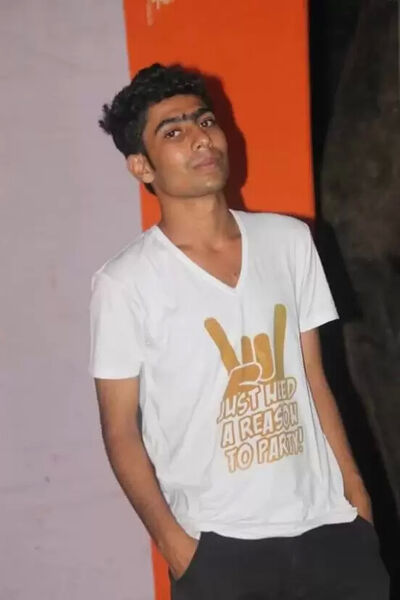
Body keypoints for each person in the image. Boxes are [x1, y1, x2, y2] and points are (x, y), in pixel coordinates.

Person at [89, 63, 389, 599]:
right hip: (219, 548)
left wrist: (357, 498)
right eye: (173, 132)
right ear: (141, 166)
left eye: (205, 121)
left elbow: (314, 378)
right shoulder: (124, 282)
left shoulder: (289, 241)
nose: (201, 138)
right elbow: (120, 431)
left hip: (331, 531)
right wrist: (176, 547)